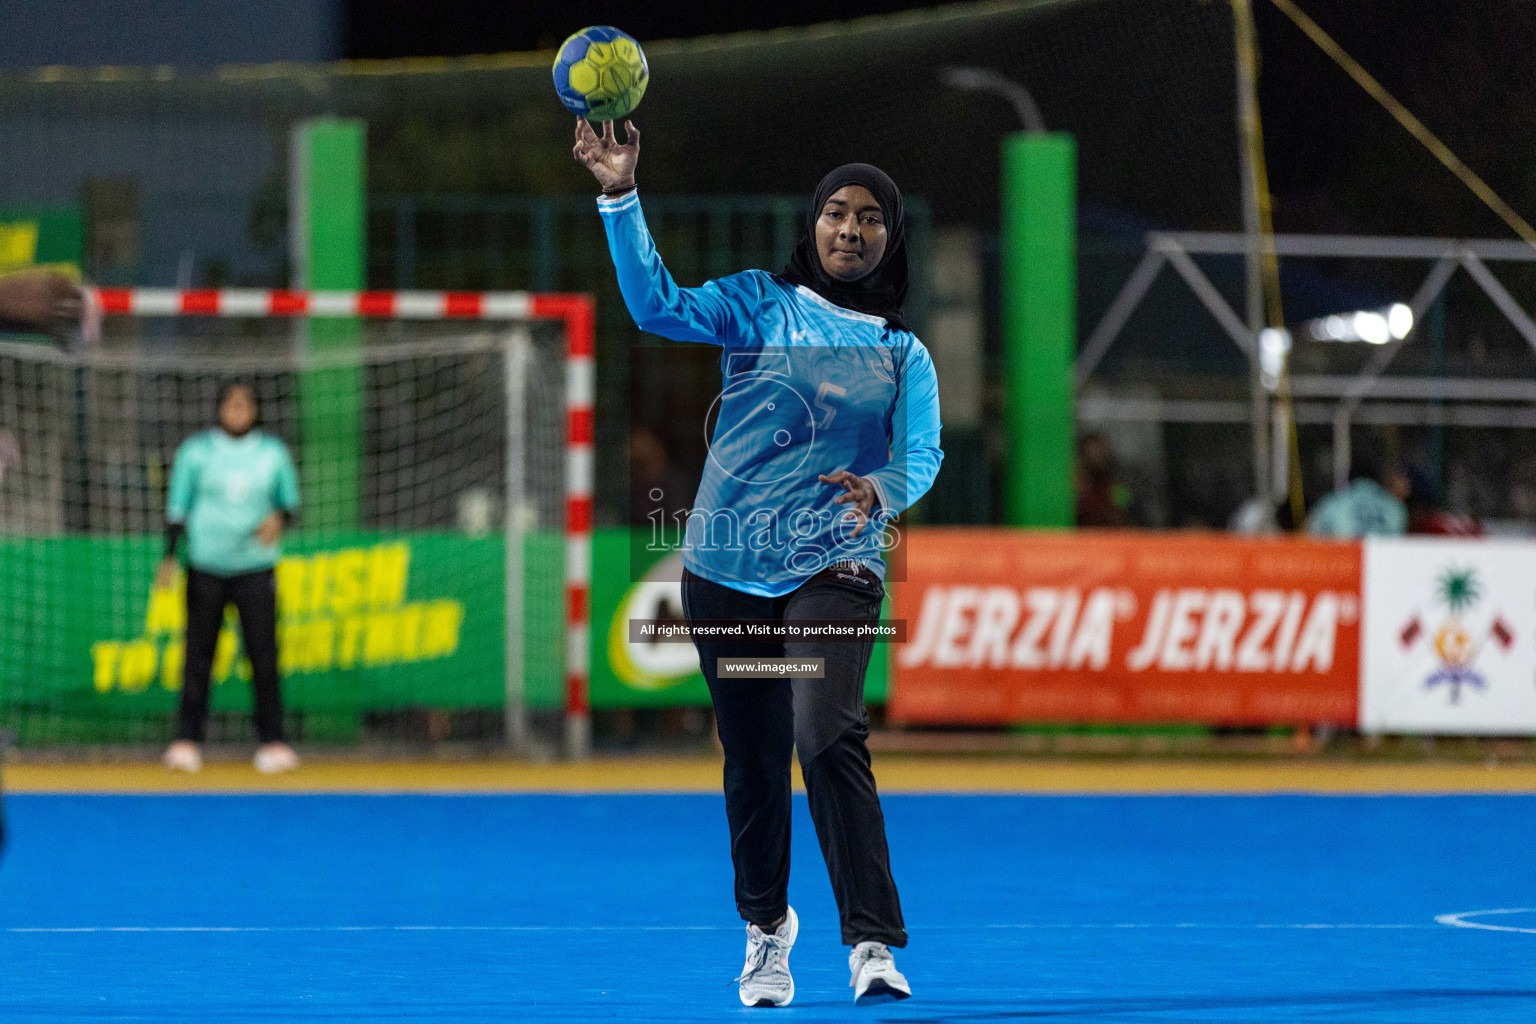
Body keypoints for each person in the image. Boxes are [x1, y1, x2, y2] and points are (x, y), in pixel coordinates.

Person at [574, 118, 941, 1007]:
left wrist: (881, 490)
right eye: (835, 214)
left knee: (826, 734)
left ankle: (871, 944)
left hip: (836, 570)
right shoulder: (758, 303)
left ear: (891, 239)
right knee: (752, 753)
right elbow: (655, 305)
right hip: (725, 571)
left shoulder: (902, 354)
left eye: (869, 220)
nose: (849, 231)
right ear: (811, 223)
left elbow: (921, 455)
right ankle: (767, 928)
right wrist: (619, 195)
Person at [157, 382, 301, 774]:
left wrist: (280, 518)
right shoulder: (196, 451)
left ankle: (272, 740)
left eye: (244, 404)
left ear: (254, 409)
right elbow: (177, 508)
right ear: (219, 408)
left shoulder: (272, 453)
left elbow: (290, 506)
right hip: (206, 566)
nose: (237, 410)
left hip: (256, 568)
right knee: (199, 654)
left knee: (263, 654)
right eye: (230, 403)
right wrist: (169, 557)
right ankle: (187, 740)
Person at [1306, 450, 1408, 538]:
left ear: (1349, 471)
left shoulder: (1334, 501)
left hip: (1344, 557)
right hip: (1383, 558)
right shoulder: (1395, 506)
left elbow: (1308, 534)